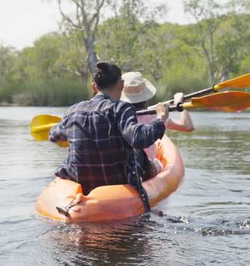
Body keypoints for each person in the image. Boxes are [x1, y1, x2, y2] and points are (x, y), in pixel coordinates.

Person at [49, 62, 169, 212]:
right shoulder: (122, 109)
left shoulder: (73, 110)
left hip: (82, 182)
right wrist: (160, 118)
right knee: (138, 153)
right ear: (121, 85)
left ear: (94, 86)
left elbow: (53, 135)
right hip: (117, 183)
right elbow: (139, 139)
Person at [120, 72, 195, 175]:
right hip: (147, 168)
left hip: (122, 166)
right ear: (146, 97)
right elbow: (187, 126)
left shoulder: (116, 115)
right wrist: (179, 105)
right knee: (156, 163)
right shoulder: (155, 116)